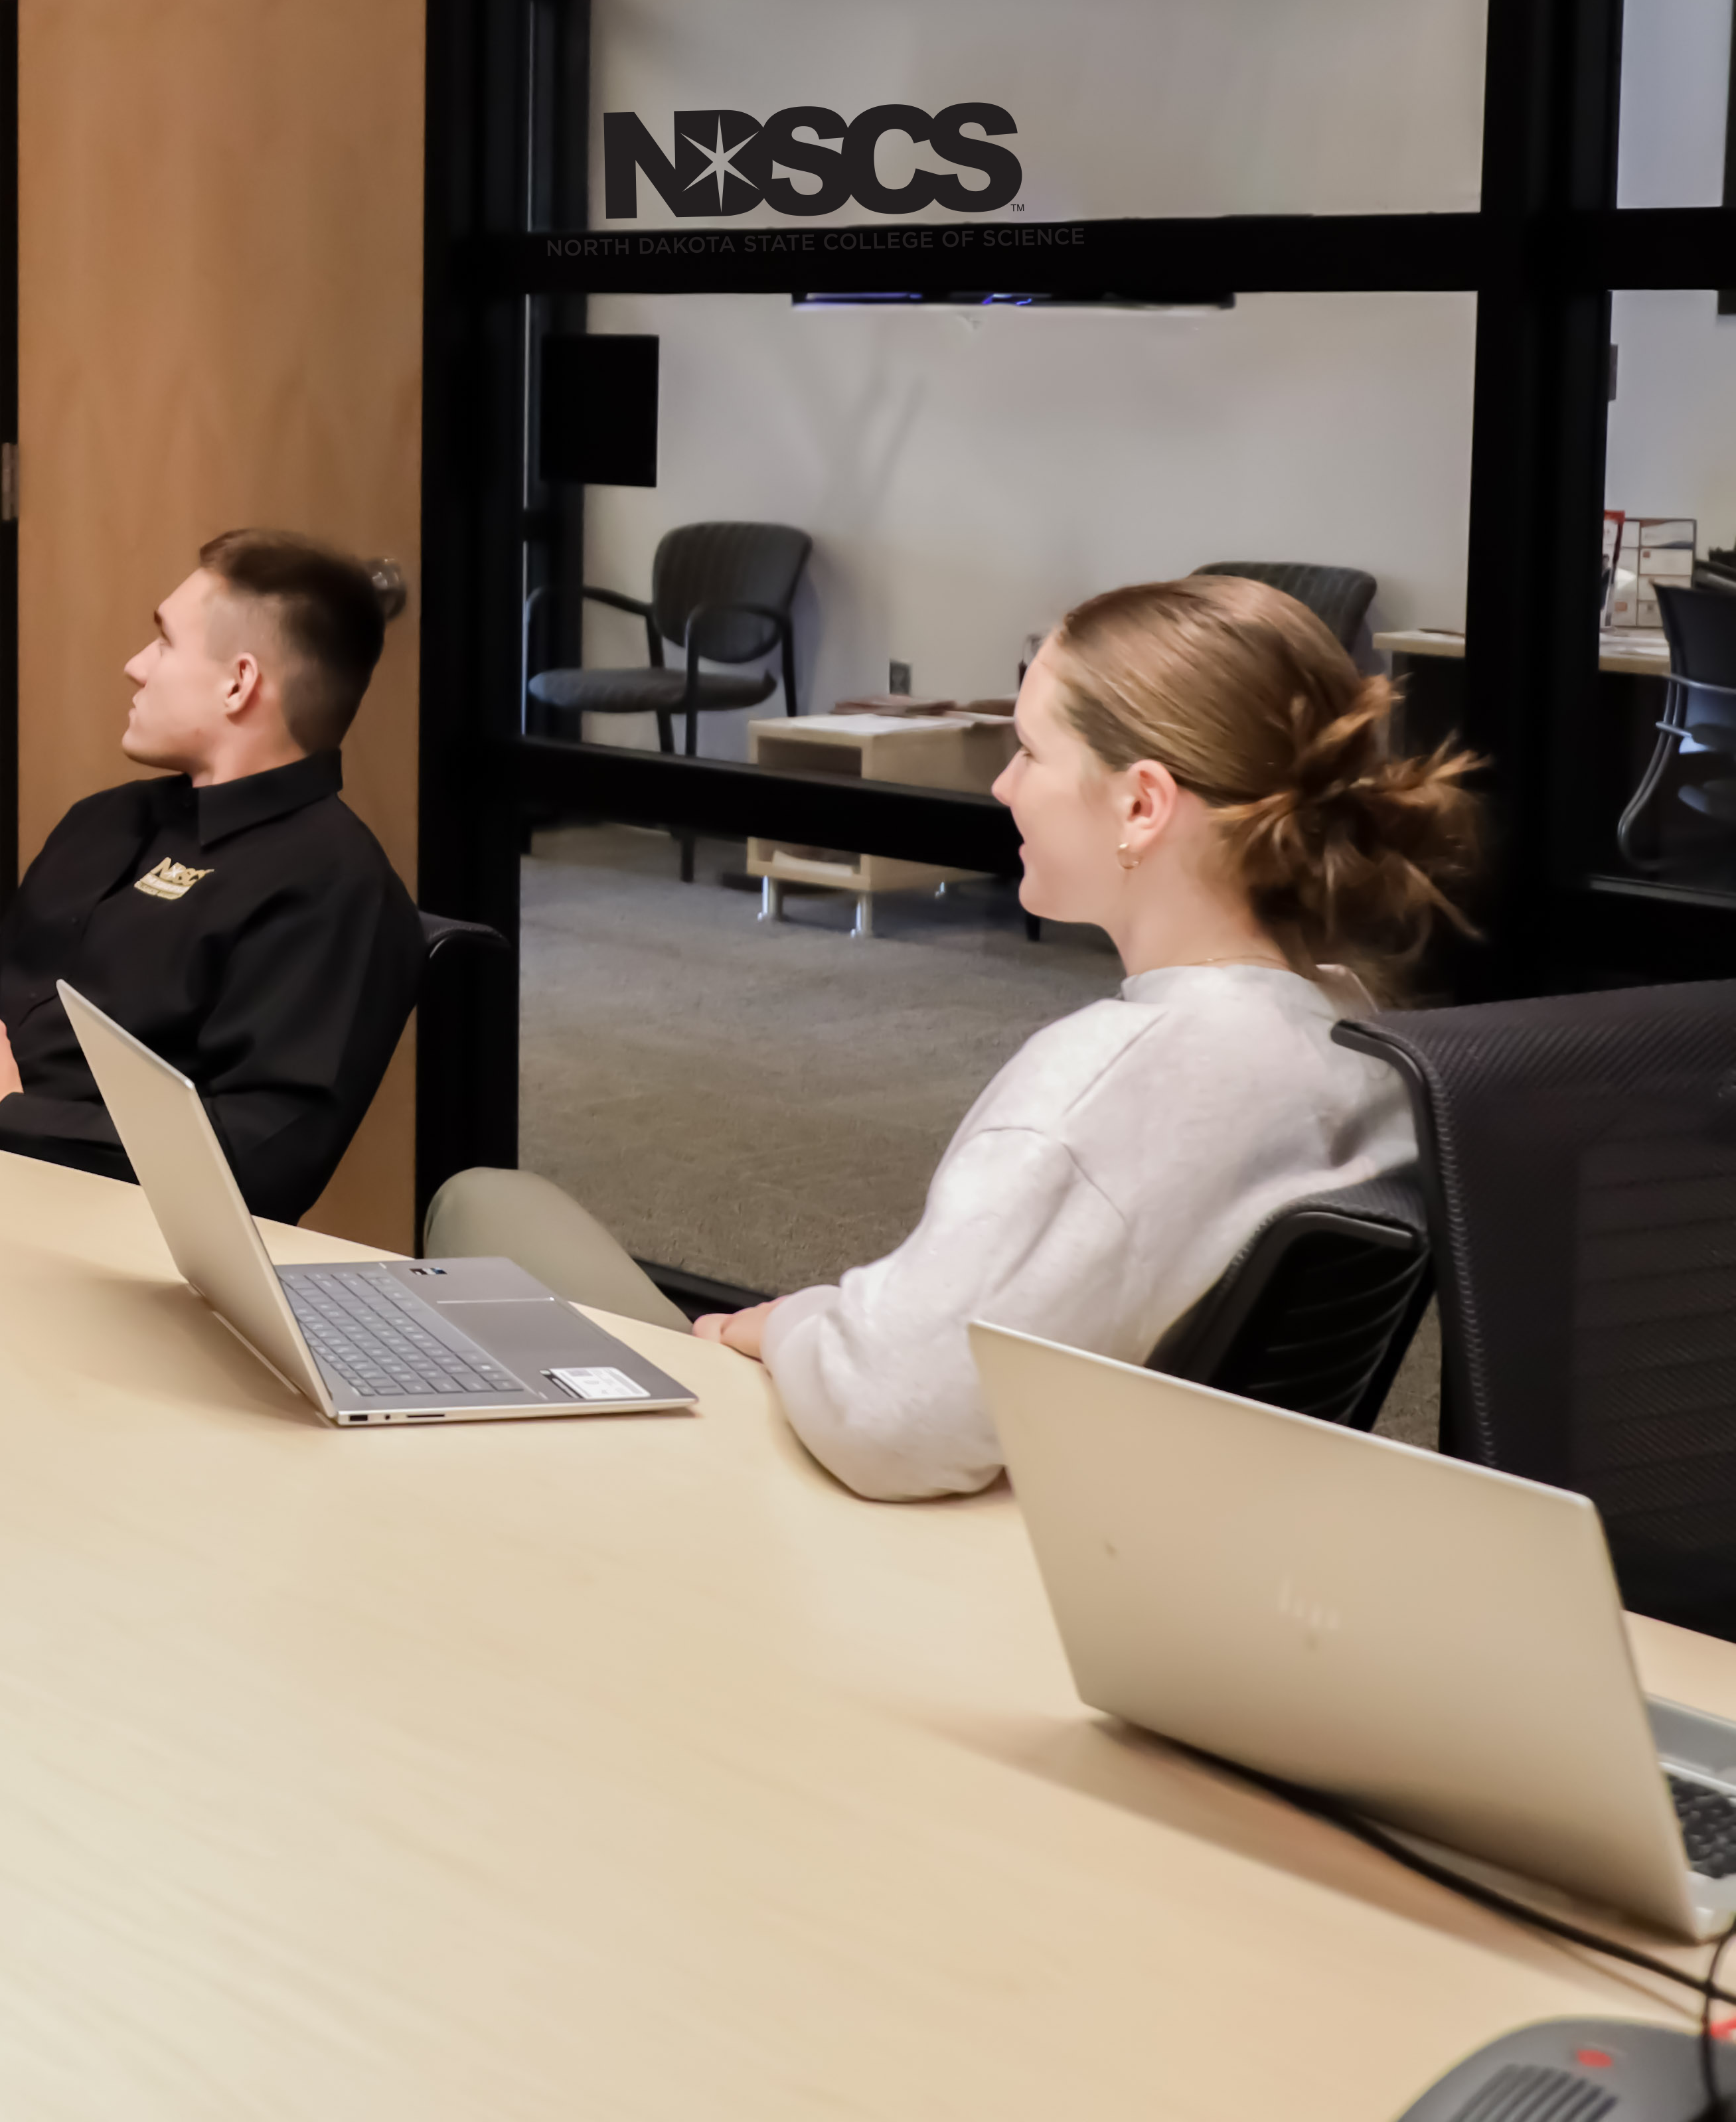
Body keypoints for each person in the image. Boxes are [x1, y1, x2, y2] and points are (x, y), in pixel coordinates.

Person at [438, 573, 1482, 1501]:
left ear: (1142, 805)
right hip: (1108, 1507)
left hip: (900, 1529)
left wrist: (785, 1325)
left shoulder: (1106, 1085)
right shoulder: (1362, 1041)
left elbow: (891, 1414)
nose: (1002, 786)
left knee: (489, 1207)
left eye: (1030, 751)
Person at [0, 531, 420, 1217]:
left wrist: (0, 1120)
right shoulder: (104, 820)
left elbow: (261, 1157)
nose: (136, 666)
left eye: (164, 642)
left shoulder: (334, 884)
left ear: (238, 682)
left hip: (87, 1231)